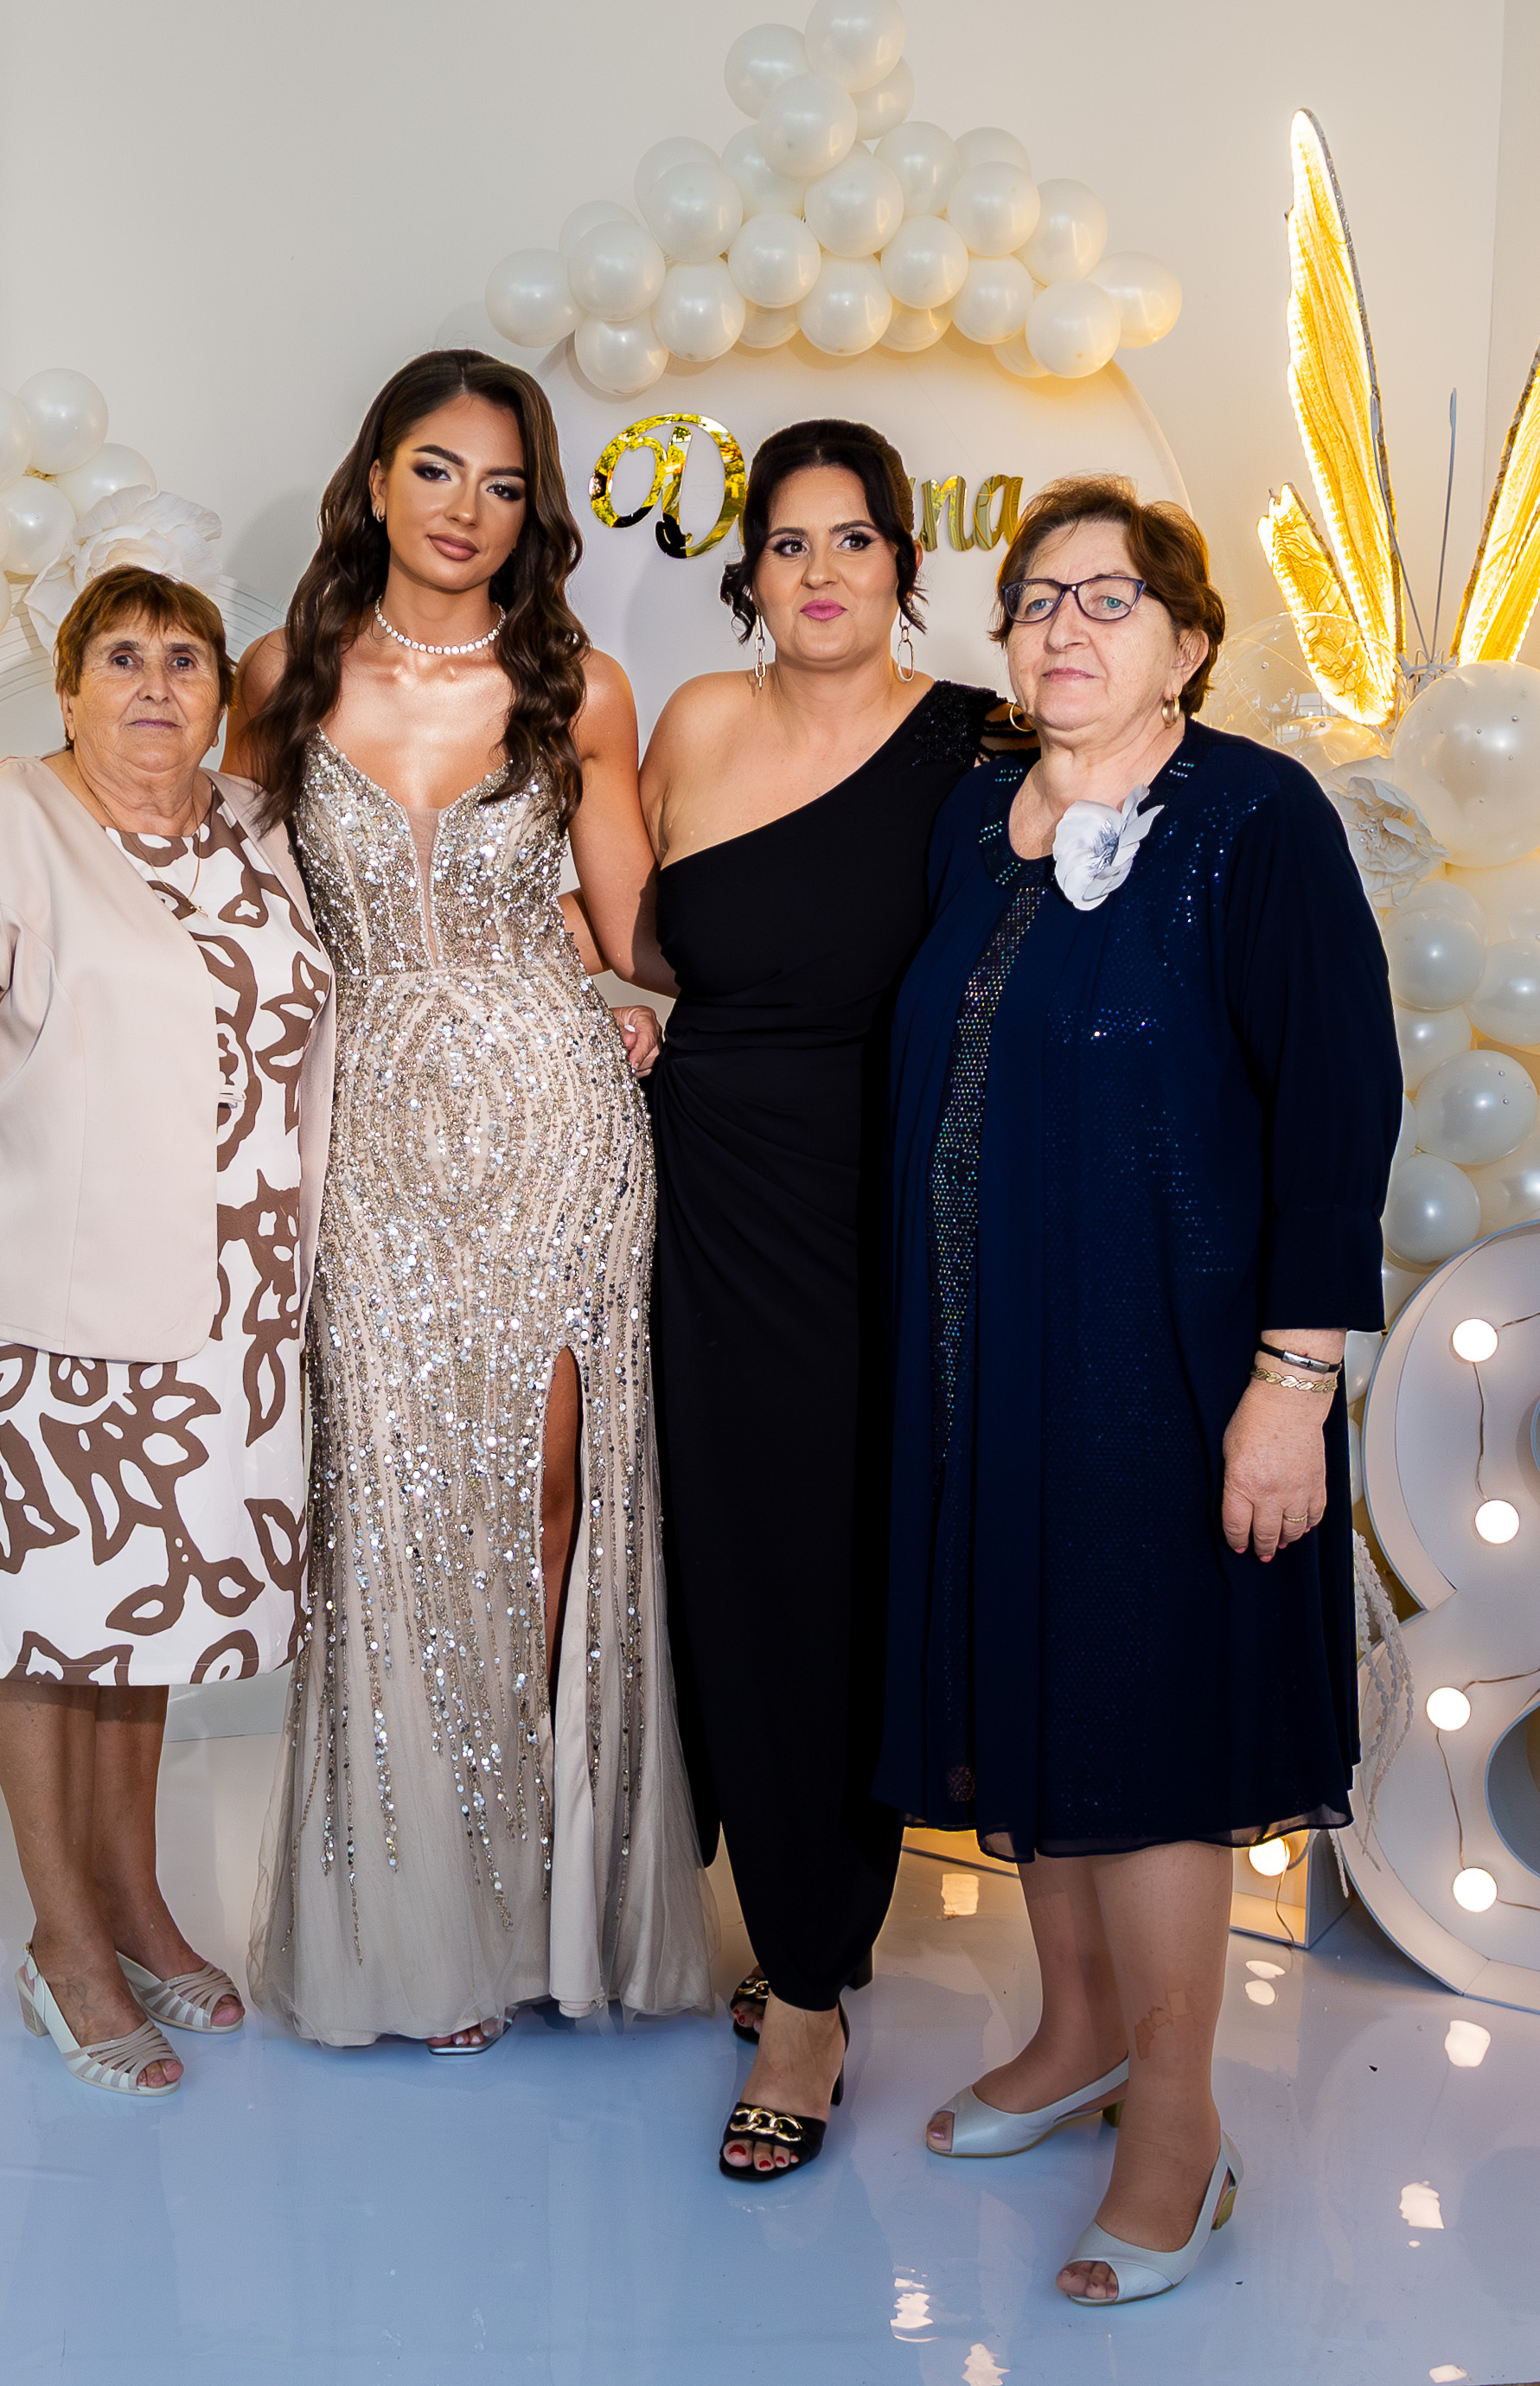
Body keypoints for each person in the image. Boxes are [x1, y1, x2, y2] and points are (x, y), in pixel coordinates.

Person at [879, 479, 1400, 2300]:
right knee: (1030, 1696)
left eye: (1108, 600)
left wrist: (1291, 1383)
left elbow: (1335, 1107)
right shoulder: (973, 820)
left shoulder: (1252, 817)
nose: (1063, 628)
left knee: (1149, 1732)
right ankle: (1076, 2035)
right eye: (1035, 598)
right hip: (983, 1354)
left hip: (1168, 1370)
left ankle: (1178, 2122)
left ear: (1185, 642)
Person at [228, 349, 708, 2051]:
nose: (465, 510)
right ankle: (421, 1923)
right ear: (376, 479)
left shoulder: (581, 687)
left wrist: (679, 998)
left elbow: (637, 925)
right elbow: (237, 922)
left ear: (533, 514)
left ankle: (545, 1909)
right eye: (436, 470)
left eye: (503, 486)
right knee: (394, 1503)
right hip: (368, 1131)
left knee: (554, 1491)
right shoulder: (282, 675)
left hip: (555, 1120)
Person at [0, 565, 331, 2099]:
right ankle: (62, 1943)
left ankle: (133, 1904)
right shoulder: (1, 823)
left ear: (222, 694)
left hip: (230, 1319)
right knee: (51, 1632)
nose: (155, 686)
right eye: (121, 658)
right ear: (67, 691)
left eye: (185, 659)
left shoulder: (257, 826)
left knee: (143, 1628)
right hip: (48, 1319)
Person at [636, 419, 997, 2179]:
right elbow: (634, 949)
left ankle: (806, 1989)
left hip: (883, 1219)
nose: (821, 571)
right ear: (749, 574)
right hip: (700, 1202)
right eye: (788, 544)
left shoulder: (979, 745)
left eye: (852, 539)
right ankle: (778, 1921)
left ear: (902, 564)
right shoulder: (697, 724)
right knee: (721, 1573)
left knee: (834, 1590)